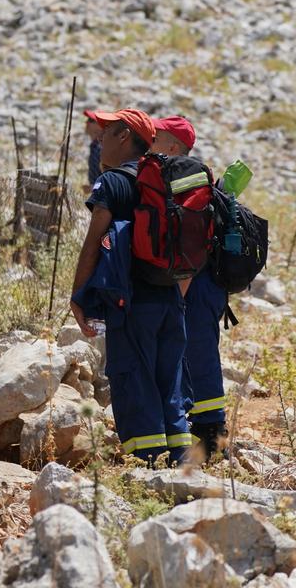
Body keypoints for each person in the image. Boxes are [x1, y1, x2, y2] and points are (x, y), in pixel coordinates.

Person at [69, 108, 192, 466]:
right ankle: (182, 463)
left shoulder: (113, 183)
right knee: (169, 380)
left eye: (106, 134)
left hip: (131, 300)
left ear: (124, 137)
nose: (99, 140)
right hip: (169, 297)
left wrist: (79, 297)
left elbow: (94, 242)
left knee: (134, 377)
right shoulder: (169, 178)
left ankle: (149, 465)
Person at [151, 115, 227, 460]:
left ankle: (211, 435)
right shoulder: (185, 175)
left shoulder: (186, 177)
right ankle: (201, 428)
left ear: (173, 146)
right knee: (192, 352)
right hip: (202, 281)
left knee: (197, 353)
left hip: (195, 283)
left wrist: (178, 292)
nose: (150, 140)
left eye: (157, 136)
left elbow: (191, 240)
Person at [84, 116, 103, 192]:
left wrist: (93, 187)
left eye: (91, 121)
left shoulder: (101, 148)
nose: (86, 123)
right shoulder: (94, 146)